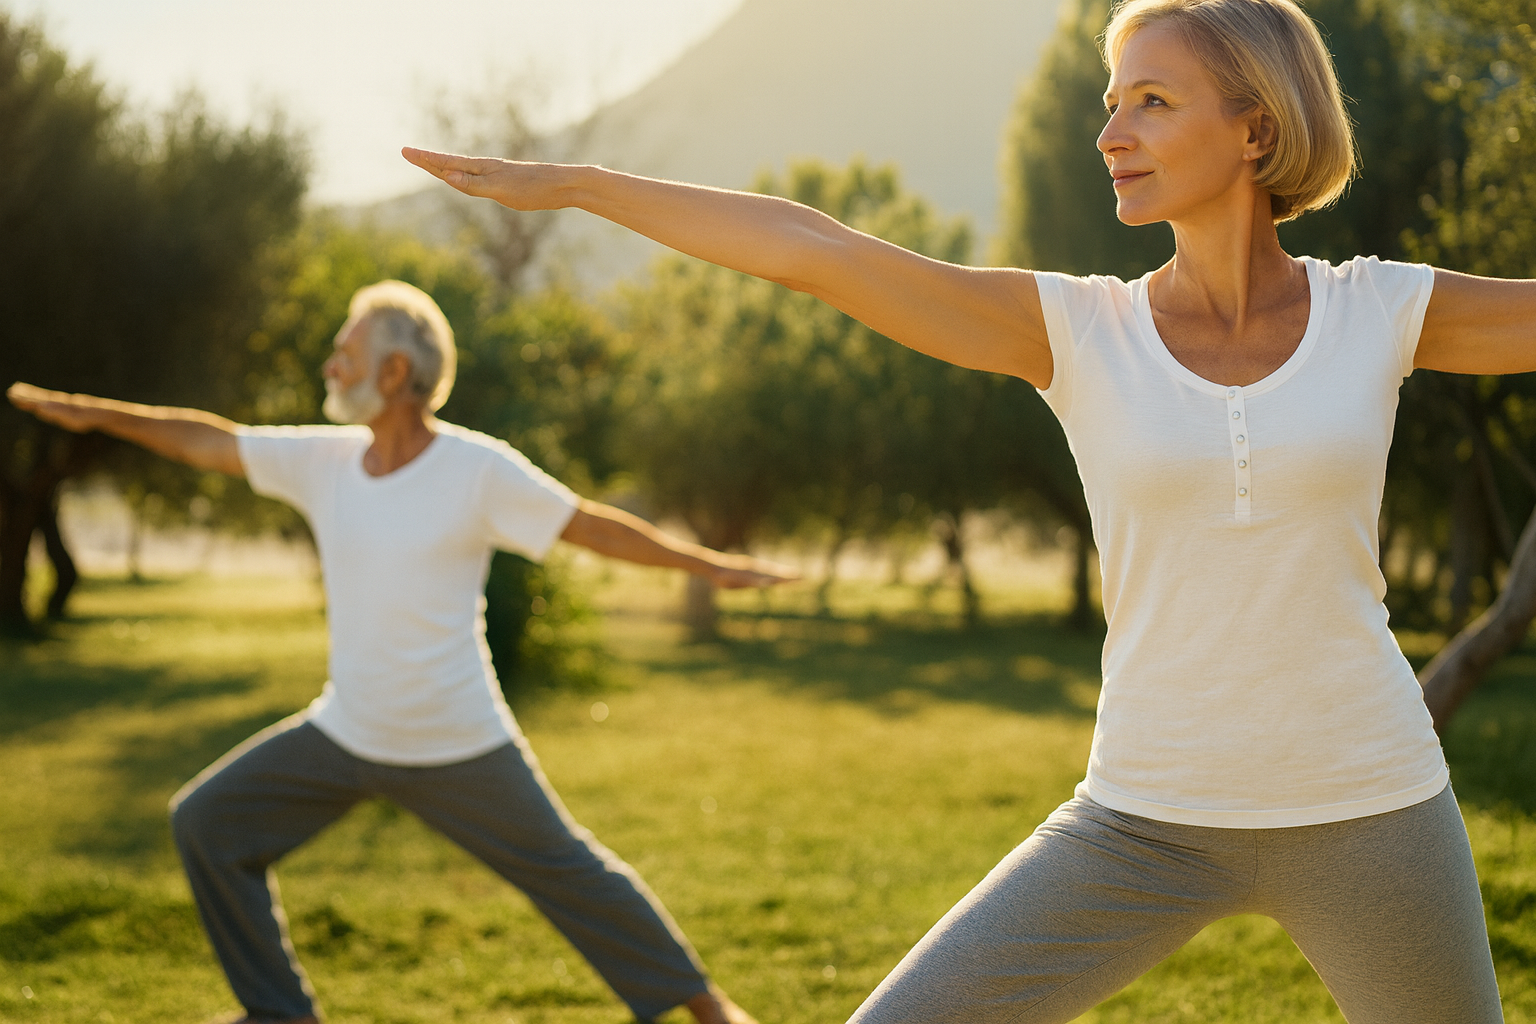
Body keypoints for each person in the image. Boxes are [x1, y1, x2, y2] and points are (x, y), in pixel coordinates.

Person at [401, 0, 1527, 1021]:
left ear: (1256, 129)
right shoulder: (1082, 332)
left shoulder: (1377, 310)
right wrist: (586, 185)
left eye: (1151, 101)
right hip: (1144, 816)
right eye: (1108, 103)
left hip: (1370, 803)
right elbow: (816, 251)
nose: (1110, 135)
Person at [7, 280, 791, 1024]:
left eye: (343, 352)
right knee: (207, 824)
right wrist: (92, 414)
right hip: (347, 732)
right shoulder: (325, 461)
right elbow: (208, 441)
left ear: (394, 371)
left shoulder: (475, 469)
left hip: (459, 740)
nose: (329, 365)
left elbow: (587, 524)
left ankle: (709, 1009)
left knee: (573, 875)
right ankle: (280, 1011)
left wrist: (709, 566)